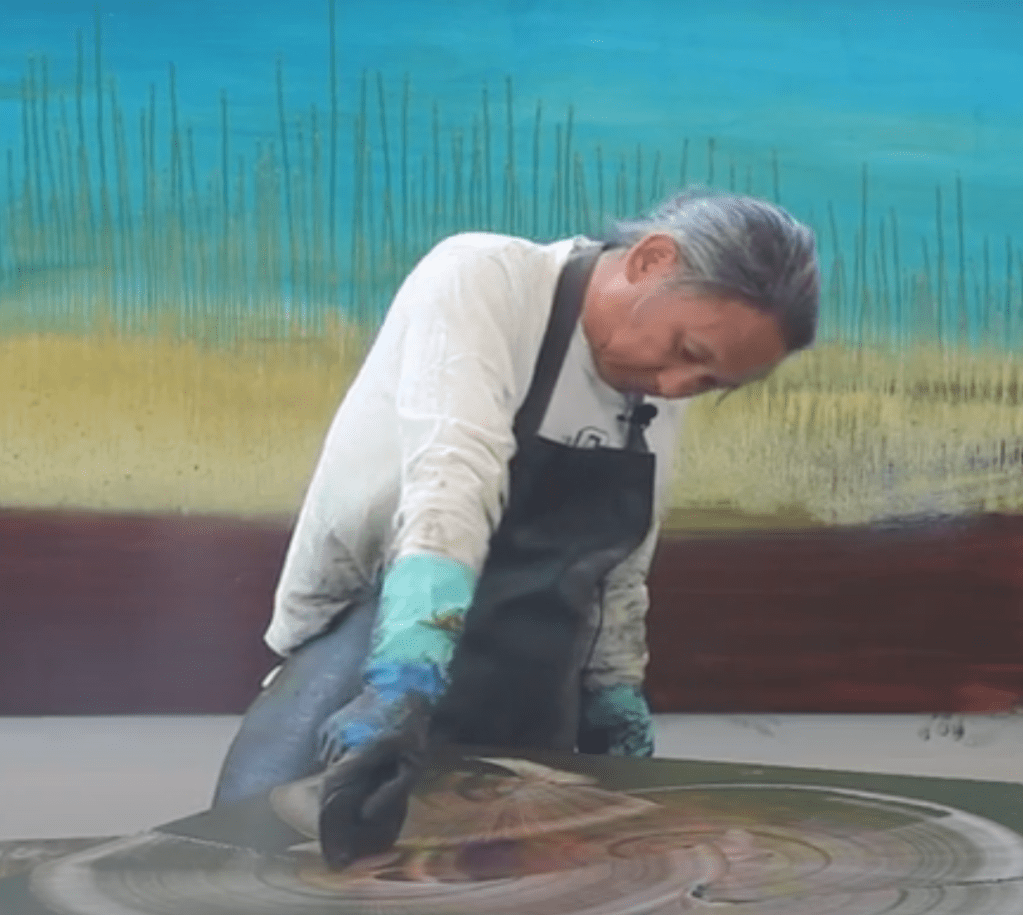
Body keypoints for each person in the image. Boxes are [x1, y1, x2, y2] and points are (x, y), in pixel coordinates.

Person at [213, 188, 821, 868]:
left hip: (531, 698)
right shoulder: (485, 278)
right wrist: (404, 678)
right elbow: (450, 482)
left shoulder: (652, 381)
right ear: (651, 260)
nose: (679, 386)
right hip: (370, 663)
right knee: (265, 874)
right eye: (686, 350)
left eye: (710, 383)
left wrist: (615, 691)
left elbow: (621, 561)